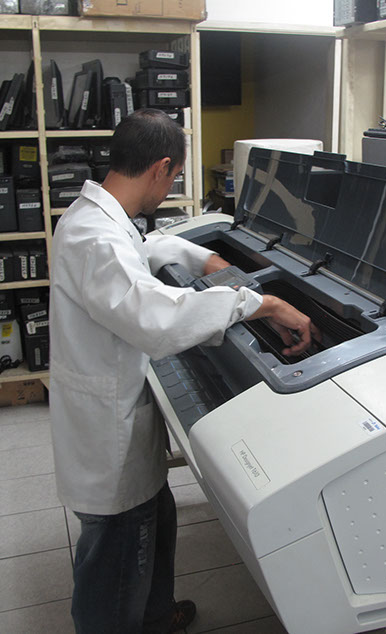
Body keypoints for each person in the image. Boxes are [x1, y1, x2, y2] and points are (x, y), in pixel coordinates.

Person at [49, 108, 317, 633]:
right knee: (117, 558)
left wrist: (206, 261)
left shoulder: (99, 219)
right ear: (161, 168)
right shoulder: (95, 238)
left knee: (157, 517)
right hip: (105, 433)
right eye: (173, 177)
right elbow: (157, 319)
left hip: (116, 411)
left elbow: (145, 248)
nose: (170, 187)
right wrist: (260, 303)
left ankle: (155, 617)